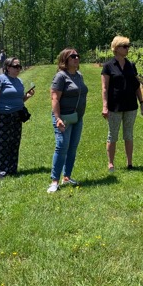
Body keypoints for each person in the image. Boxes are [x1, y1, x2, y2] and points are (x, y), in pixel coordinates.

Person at [101, 36, 143, 171]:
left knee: (128, 134)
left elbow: (136, 85)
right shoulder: (108, 66)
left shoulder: (131, 65)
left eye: (128, 46)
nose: (128, 49)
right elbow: (104, 88)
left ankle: (130, 163)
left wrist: (142, 102)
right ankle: (111, 163)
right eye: (125, 46)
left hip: (131, 105)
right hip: (115, 105)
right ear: (116, 48)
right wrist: (105, 106)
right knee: (112, 135)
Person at [48, 48, 88, 193]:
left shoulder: (79, 75)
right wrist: (58, 118)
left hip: (77, 117)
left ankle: (67, 177)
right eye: (72, 56)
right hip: (63, 118)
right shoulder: (60, 77)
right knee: (62, 146)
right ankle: (54, 181)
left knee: (72, 147)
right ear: (65, 60)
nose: (76, 58)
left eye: (78, 56)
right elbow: (55, 99)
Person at [0, 57, 35, 179]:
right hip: (4, 115)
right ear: (7, 67)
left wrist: (27, 96)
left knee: (15, 142)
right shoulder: (0, 79)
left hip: (17, 115)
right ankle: (0, 170)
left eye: (19, 66)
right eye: (15, 66)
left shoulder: (19, 81)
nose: (18, 68)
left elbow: (19, 99)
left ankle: (11, 168)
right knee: (3, 143)